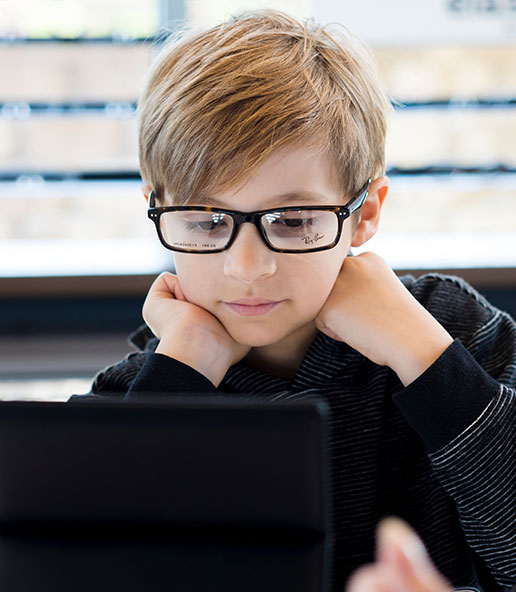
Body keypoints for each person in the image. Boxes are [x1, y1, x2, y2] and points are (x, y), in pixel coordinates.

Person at [70, 9, 516, 591]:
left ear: (366, 214)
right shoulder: (137, 395)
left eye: (293, 220)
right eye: (205, 221)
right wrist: (179, 377)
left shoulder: (453, 333)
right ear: (158, 207)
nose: (247, 267)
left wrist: (424, 355)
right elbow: (83, 568)